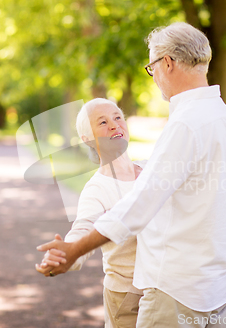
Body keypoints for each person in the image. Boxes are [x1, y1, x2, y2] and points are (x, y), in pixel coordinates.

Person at [36, 22, 226, 327]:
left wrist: (73, 251)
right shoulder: (225, 117)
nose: (155, 77)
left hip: (177, 289)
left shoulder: (185, 124)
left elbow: (139, 205)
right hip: (215, 285)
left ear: (167, 63)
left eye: (152, 68)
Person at [36, 98, 170, 327]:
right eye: (103, 122)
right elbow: (83, 228)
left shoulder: (151, 169)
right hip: (128, 297)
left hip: (166, 291)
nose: (114, 125)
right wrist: (67, 253)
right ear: (87, 138)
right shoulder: (97, 188)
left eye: (118, 117)